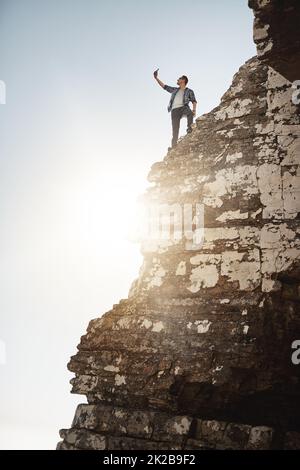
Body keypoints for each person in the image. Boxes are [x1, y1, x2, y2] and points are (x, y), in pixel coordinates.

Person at [153, 69, 197, 150]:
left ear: (183, 80)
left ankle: (189, 128)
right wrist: (156, 78)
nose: (177, 80)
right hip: (174, 110)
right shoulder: (174, 90)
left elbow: (194, 101)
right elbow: (164, 86)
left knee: (190, 113)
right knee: (175, 129)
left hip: (184, 107)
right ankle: (174, 146)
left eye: (179, 78)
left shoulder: (189, 91)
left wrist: (194, 110)